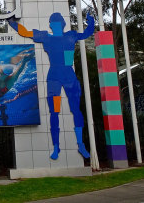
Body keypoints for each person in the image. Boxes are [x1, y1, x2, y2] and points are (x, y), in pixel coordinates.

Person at [9, 12, 94, 160]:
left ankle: (80, 143)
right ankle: (56, 146)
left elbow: (87, 33)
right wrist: (12, 22)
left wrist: (91, 21)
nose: (53, 25)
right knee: (54, 112)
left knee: (75, 109)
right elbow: (25, 32)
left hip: (69, 78)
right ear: (50, 25)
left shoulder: (70, 36)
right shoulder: (46, 37)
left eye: (55, 22)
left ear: (62, 24)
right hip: (54, 77)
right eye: (52, 23)